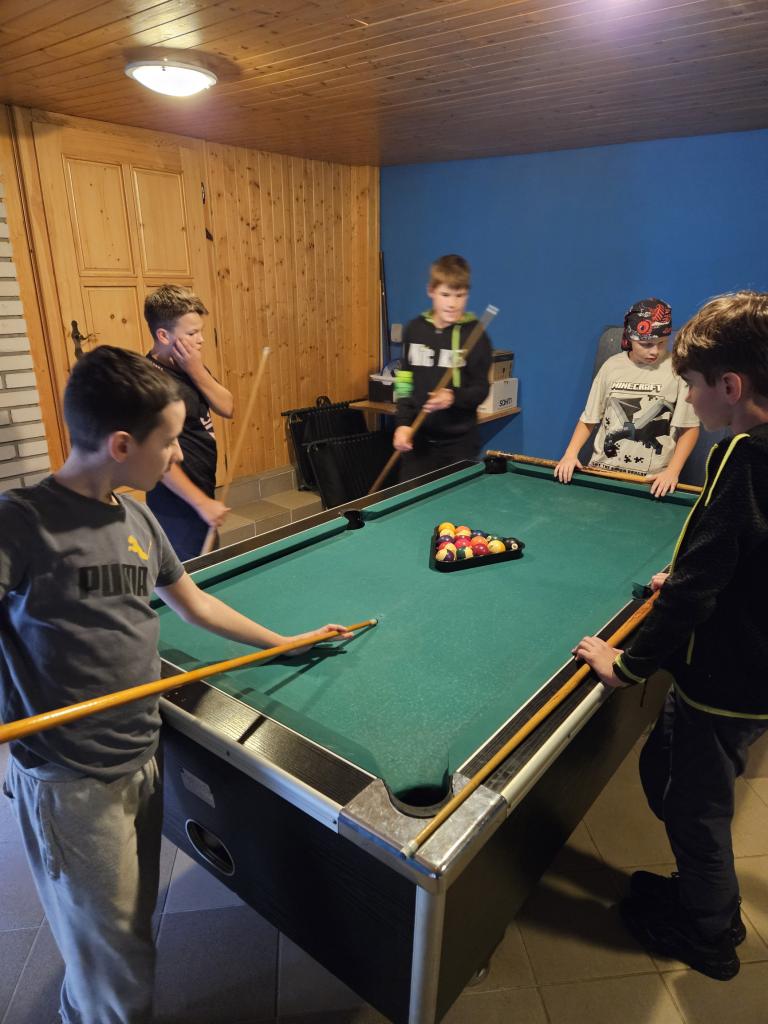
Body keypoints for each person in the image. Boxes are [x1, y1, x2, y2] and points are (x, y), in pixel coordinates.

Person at [0, 346, 350, 1024]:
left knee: (120, 938)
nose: (176, 456)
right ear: (121, 444)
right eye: (168, 442)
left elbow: (194, 604)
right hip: (71, 783)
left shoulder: (136, 518)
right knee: (117, 970)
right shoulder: (22, 521)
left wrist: (283, 642)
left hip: (139, 756)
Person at [573, 291, 768, 981]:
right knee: (668, 777)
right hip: (748, 670)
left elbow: (698, 588)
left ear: (730, 386)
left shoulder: (740, 456)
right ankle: (699, 896)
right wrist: (686, 572)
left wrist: (626, 665)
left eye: (690, 383)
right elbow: (736, 554)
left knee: (695, 811)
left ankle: (709, 930)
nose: (686, 394)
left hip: (725, 681)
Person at [555, 298, 700, 497]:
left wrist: (672, 472)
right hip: (602, 473)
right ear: (630, 337)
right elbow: (589, 418)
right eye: (646, 344)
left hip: (650, 482)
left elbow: (689, 428)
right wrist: (570, 454)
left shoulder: (678, 370)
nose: (654, 351)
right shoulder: (611, 366)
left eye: (661, 343)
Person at [144, 284, 233, 560]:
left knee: (209, 565)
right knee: (192, 574)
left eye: (200, 331)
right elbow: (157, 458)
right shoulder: (151, 383)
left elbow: (227, 406)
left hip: (201, 490)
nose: (201, 340)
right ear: (163, 335)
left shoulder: (189, 365)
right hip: (176, 504)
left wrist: (196, 371)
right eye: (192, 333)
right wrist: (201, 503)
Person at [393, 254, 492, 481]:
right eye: (445, 294)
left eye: (460, 295)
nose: (452, 304)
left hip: (459, 446)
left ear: (467, 294)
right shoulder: (414, 330)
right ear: (431, 291)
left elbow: (481, 389)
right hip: (418, 442)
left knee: (455, 503)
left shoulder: (476, 335)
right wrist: (402, 424)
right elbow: (404, 381)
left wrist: (453, 397)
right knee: (412, 501)